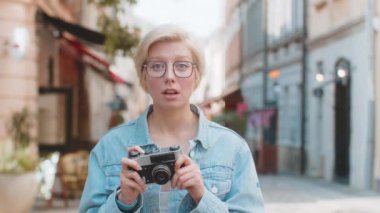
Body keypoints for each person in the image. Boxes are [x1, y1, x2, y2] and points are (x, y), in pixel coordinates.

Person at [79, 25, 264, 213]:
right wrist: (124, 201)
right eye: (157, 66)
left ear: (197, 74)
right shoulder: (110, 148)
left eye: (182, 66)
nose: (169, 76)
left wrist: (202, 196)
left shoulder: (232, 149)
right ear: (144, 75)